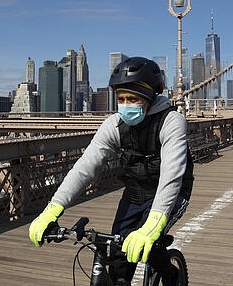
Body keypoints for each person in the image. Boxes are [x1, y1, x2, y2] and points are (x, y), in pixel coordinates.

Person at [28, 57, 192, 286]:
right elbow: (85, 167)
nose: (126, 105)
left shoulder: (171, 121)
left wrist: (152, 226)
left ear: (150, 97)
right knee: (118, 260)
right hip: (135, 193)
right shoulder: (114, 125)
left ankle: (171, 275)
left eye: (133, 99)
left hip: (171, 195)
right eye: (121, 98)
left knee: (148, 246)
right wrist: (52, 209)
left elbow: (171, 177)